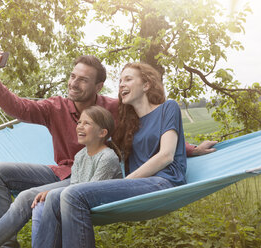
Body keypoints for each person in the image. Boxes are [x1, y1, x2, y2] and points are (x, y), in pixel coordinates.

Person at [0, 53, 216, 247]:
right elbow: (21, 108)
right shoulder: (55, 107)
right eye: (73, 76)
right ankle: (5, 244)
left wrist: (191, 148)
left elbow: (159, 140)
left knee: (35, 197)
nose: (74, 83)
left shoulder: (119, 109)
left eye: (83, 79)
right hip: (63, 170)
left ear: (97, 87)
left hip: (94, 173)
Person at [33, 62, 188, 248]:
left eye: (128, 79)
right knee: (54, 198)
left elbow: (166, 155)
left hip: (163, 182)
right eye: (120, 81)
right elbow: (96, 144)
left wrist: (125, 181)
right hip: (135, 185)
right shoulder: (129, 124)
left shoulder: (167, 108)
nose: (121, 84)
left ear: (146, 85)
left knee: (73, 195)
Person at [30, 105, 122, 246]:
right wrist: (52, 193)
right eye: (79, 122)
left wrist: (53, 193)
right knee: (40, 206)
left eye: (87, 123)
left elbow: (92, 191)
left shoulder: (107, 157)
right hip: (78, 197)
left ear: (102, 133)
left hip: (102, 202)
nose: (80, 126)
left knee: (53, 198)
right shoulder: (80, 156)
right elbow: (74, 185)